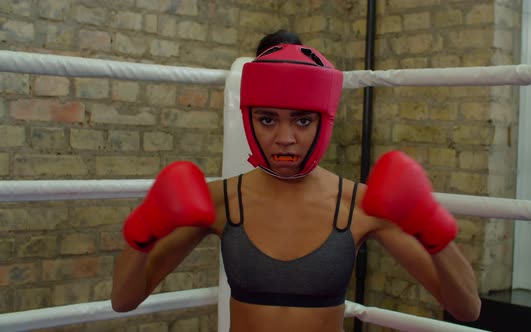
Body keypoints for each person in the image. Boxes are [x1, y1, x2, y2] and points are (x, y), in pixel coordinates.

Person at [111, 30, 481, 332]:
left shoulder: (359, 205)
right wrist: (142, 229)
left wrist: (433, 227)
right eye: (268, 120)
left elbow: (466, 309)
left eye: (302, 120)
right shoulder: (221, 200)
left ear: (324, 121)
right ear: (249, 119)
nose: (284, 138)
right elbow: (123, 300)